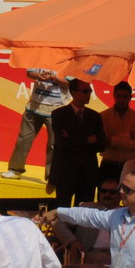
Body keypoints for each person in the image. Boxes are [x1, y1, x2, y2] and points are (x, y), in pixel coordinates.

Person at [1, 68, 68, 182]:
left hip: (56, 109)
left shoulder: (67, 61)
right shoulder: (38, 55)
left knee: (54, 145)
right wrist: (39, 76)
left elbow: (69, 83)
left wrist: (53, 78)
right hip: (33, 107)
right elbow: (29, 73)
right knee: (23, 140)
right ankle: (15, 170)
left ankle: (51, 176)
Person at [50, 80, 106, 208]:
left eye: (90, 91)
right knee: (62, 212)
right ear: (73, 92)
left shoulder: (95, 116)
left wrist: (73, 138)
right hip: (65, 172)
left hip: (88, 174)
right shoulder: (59, 114)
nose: (89, 94)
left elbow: (101, 144)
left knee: (84, 215)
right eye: (86, 91)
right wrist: (87, 140)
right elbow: (63, 143)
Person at [98, 81, 135, 182]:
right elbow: (103, 141)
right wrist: (130, 135)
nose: (122, 99)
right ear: (114, 95)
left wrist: (111, 140)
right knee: (107, 196)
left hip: (132, 165)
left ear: (130, 97)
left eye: (125, 96)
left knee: (133, 197)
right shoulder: (102, 116)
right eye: (119, 96)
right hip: (109, 165)